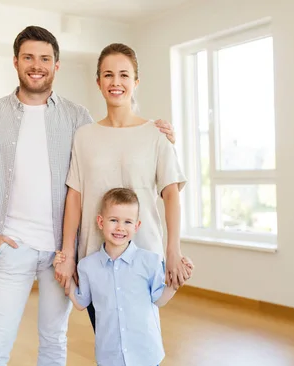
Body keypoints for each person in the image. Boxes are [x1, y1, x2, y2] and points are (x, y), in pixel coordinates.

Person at [0, 26, 177, 366]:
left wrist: (159, 129)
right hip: (10, 250)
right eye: (28, 57)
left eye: (45, 59)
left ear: (57, 66)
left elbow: (118, 136)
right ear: (15, 62)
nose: (37, 66)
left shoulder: (77, 118)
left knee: (55, 343)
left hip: (61, 254)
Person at [53, 43, 193, 332]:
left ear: (136, 82)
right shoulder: (84, 136)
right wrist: (68, 254)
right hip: (95, 257)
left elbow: (171, 195)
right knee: (108, 352)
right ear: (98, 82)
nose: (116, 82)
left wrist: (174, 249)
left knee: (140, 349)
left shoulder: (156, 134)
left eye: (124, 75)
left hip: (144, 255)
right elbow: (75, 199)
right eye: (108, 75)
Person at [55, 188, 187, 366]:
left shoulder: (149, 262)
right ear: (100, 222)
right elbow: (81, 302)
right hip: (109, 358)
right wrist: (64, 273)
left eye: (127, 222)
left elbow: (158, 299)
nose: (120, 227)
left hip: (145, 354)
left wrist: (174, 284)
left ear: (137, 226)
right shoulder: (88, 266)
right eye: (113, 220)